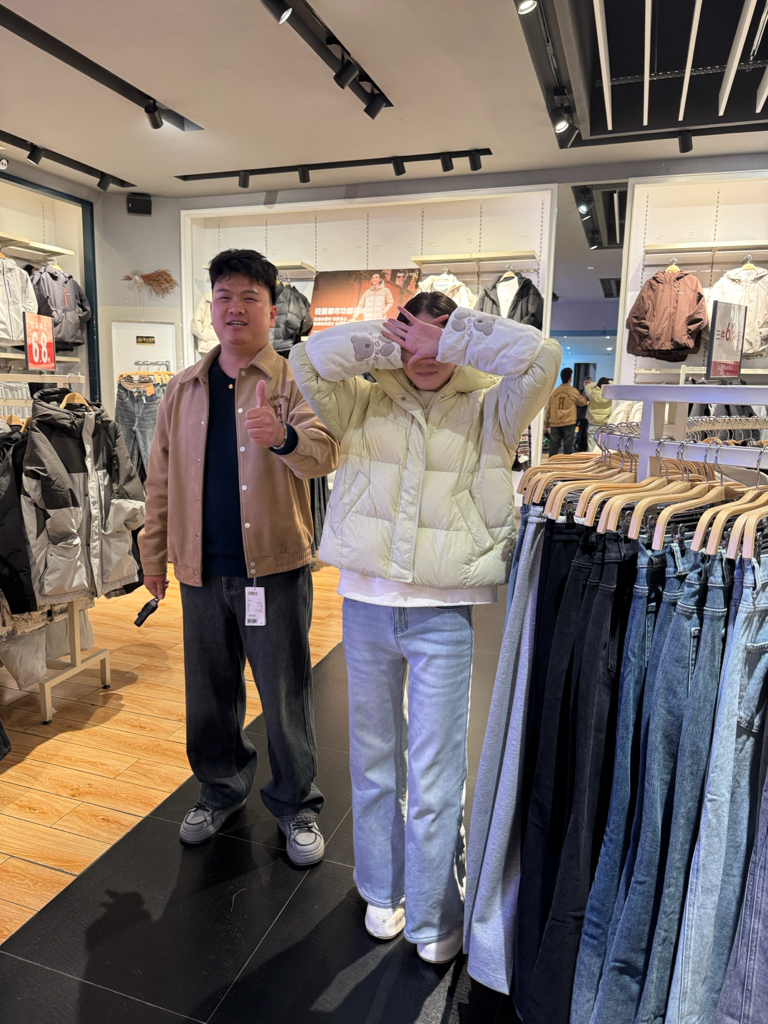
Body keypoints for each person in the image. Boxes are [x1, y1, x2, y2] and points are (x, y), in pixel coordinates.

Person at [290, 294, 560, 963]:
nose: (424, 353)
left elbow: (542, 356)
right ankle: (382, 888)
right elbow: (306, 359)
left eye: (437, 338)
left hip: (444, 610)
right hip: (366, 603)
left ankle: (435, 907)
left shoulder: (493, 405)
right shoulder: (362, 399)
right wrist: (391, 342)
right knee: (373, 759)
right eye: (412, 336)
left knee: (437, 769)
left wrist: (455, 337)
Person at [140, 249, 339, 864]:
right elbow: (160, 480)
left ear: (272, 311)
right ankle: (219, 790)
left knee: (284, 694)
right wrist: (152, 554)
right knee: (209, 693)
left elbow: (324, 454)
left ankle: (296, 804)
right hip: (201, 570)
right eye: (224, 297)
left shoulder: (294, 381)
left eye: (250, 297)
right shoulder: (183, 389)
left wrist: (283, 437)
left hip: (273, 568)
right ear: (211, 308)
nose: (235, 309)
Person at [544, 366, 588, 456]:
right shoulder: (573, 391)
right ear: (570, 378)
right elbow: (582, 403)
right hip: (569, 422)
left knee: (553, 447)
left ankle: (551, 463)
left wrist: (546, 423)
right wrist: (584, 395)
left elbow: (548, 408)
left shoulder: (554, 392)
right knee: (568, 448)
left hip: (555, 422)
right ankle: (566, 463)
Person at [585, 376, 614, 450]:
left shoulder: (592, 394)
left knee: (591, 447)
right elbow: (615, 384)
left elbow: (588, 386)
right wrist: (608, 383)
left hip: (593, 423)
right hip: (605, 423)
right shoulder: (610, 395)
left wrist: (598, 383)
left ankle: (592, 457)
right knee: (603, 448)